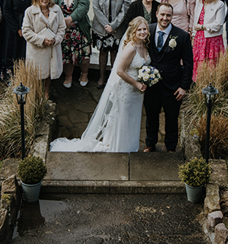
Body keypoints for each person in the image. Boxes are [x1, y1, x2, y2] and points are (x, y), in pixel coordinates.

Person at [49, 17, 151, 153]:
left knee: (133, 119)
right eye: (140, 29)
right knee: (123, 120)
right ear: (133, 31)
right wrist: (136, 83)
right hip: (127, 89)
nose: (143, 32)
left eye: (145, 29)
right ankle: (120, 148)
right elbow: (120, 71)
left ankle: (130, 146)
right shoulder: (131, 48)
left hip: (137, 92)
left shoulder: (144, 45)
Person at [144, 4, 193, 153]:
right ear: (157, 14)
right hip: (151, 85)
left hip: (173, 86)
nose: (165, 18)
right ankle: (150, 143)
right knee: (151, 117)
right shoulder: (147, 31)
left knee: (172, 119)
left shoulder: (182, 36)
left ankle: (171, 147)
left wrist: (184, 86)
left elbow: (189, 63)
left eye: (168, 15)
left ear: (172, 16)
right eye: (162, 15)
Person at [22, 0, 66, 98]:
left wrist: (56, 39)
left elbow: (62, 27)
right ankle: (35, 93)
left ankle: (46, 92)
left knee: (49, 73)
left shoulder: (56, 10)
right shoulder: (30, 11)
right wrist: (42, 40)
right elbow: (26, 31)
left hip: (52, 48)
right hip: (37, 49)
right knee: (37, 73)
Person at [92, 0, 131, 88]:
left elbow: (124, 11)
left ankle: (113, 79)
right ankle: (101, 78)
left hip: (117, 29)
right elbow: (96, 8)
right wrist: (106, 25)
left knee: (115, 53)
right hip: (101, 28)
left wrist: (113, 26)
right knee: (103, 52)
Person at [52, 0, 92, 88]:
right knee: (67, 55)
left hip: (79, 29)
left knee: (84, 55)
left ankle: (84, 74)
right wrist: (62, 20)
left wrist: (71, 18)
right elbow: (52, 6)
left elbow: (84, 6)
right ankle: (68, 76)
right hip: (64, 31)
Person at [2, 0, 36, 81]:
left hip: (31, 27)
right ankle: (12, 76)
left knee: (26, 52)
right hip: (14, 27)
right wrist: (17, 28)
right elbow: (6, 10)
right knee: (13, 50)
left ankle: (27, 76)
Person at [192, 0, 225, 80]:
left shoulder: (219, 4)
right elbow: (195, 21)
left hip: (213, 39)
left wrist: (202, 27)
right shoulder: (198, 2)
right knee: (199, 62)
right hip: (199, 39)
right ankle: (198, 84)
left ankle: (211, 84)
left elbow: (218, 24)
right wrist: (193, 36)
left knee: (212, 64)